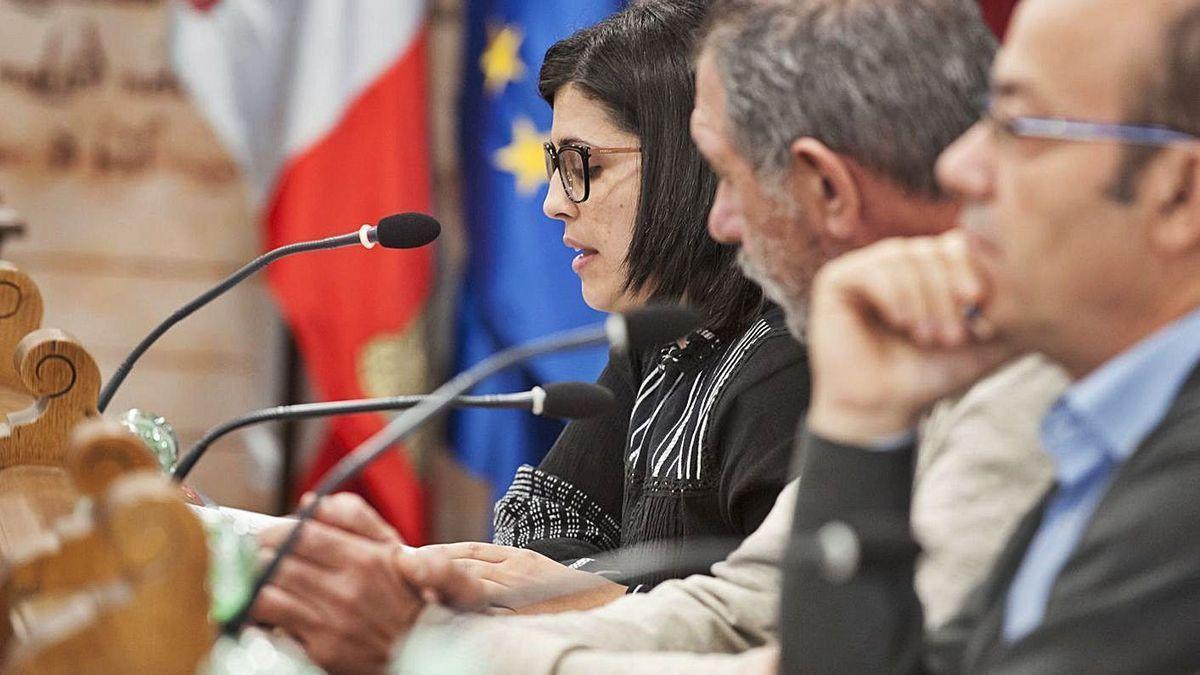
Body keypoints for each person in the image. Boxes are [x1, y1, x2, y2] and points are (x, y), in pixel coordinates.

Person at [249, 2, 1063, 673]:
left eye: (731, 177)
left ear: (823, 184)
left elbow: (806, 661)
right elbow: (734, 604)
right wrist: (444, 616)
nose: (719, 219)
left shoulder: (1012, 374)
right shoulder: (892, 340)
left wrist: (429, 644)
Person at [782, 0, 1200, 672]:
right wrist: (863, 419)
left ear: (1180, 195)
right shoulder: (1114, 446)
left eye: (1018, 125)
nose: (958, 165)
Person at [453, 0, 809, 608]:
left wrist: (603, 600)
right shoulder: (663, 336)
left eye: (580, 163)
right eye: (554, 165)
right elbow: (536, 531)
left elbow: (779, 625)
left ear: (686, 161)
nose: (555, 204)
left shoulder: (784, 361)